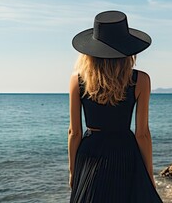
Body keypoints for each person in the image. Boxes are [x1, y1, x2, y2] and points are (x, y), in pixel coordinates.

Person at [68, 10, 162, 202]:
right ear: (127, 48)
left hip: (90, 153)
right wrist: (149, 175)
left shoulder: (77, 80)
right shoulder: (141, 80)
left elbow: (74, 132)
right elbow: (142, 133)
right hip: (125, 152)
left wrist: (72, 171)